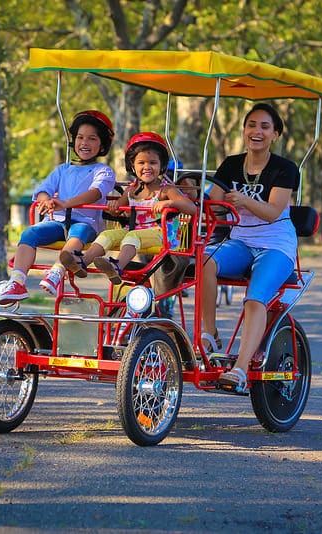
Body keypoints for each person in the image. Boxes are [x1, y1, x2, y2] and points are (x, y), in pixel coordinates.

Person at [200, 102, 300, 393]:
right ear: (243, 130)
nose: (257, 131)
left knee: (255, 298)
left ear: (275, 135)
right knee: (205, 262)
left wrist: (243, 201)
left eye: (265, 127)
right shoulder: (231, 164)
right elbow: (211, 202)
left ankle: (240, 369)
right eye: (252, 125)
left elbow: (272, 211)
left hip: (276, 246)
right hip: (240, 241)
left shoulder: (284, 169)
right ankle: (210, 334)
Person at [0, 110, 116, 305]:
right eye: (80, 137)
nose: (85, 143)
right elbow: (43, 190)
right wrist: (46, 200)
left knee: (79, 231)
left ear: (102, 144)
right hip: (57, 222)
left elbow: (96, 192)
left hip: (85, 223)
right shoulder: (63, 170)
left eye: (92, 139)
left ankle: (57, 271)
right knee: (30, 233)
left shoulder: (104, 171)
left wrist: (66, 203)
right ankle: (17, 281)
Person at [59, 132, 196, 285]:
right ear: (133, 166)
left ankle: (117, 266)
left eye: (153, 163)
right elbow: (118, 209)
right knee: (108, 234)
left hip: (162, 235)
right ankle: (83, 261)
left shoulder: (166, 190)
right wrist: (113, 208)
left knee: (133, 236)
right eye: (141, 163)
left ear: (161, 165)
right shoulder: (131, 190)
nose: (147, 167)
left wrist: (170, 203)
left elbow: (191, 208)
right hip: (133, 232)